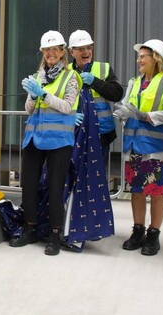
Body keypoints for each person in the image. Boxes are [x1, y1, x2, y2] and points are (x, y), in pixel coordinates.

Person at [8, 30, 81, 256]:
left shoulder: (71, 78)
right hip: (34, 137)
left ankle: (55, 234)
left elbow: (68, 107)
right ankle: (30, 228)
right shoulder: (37, 76)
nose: (50, 53)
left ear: (62, 53)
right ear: (42, 53)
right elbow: (29, 110)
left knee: (54, 187)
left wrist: (44, 94)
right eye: (46, 50)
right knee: (28, 185)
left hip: (58, 140)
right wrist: (32, 94)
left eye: (55, 49)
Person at [114, 39, 163, 256]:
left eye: (143, 56)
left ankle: (153, 234)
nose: (139, 59)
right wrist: (121, 111)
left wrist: (145, 116)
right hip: (134, 145)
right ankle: (138, 231)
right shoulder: (134, 82)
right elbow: (127, 104)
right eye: (138, 56)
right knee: (137, 191)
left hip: (156, 146)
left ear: (156, 58)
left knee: (157, 192)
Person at [65, 30, 123, 244]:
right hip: (74, 133)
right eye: (81, 49)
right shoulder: (65, 72)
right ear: (72, 52)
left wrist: (95, 81)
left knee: (94, 180)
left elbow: (117, 94)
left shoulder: (103, 69)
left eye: (89, 48)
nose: (86, 52)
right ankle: (72, 224)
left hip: (100, 135)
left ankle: (91, 226)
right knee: (72, 179)